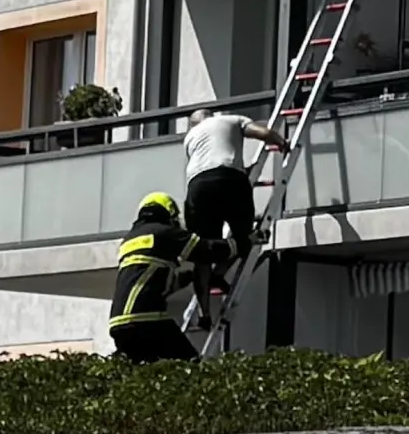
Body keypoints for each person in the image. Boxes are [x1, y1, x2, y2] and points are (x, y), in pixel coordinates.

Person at [182, 109, 288, 328]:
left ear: (193, 124)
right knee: (245, 238)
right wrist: (282, 143)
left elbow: (209, 163)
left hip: (198, 186)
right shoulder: (230, 120)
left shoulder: (190, 137)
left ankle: (203, 314)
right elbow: (263, 133)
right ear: (212, 115)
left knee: (202, 254)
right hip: (231, 180)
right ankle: (219, 273)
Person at [109, 192, 233, 363]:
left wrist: (188, 278)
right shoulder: (163, 232)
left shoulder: (129, 240)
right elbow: (206, 249)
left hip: (118, 324)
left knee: (147, 370)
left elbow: (151, 281)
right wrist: (238, 244)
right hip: (146, 318)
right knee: (189, 364)